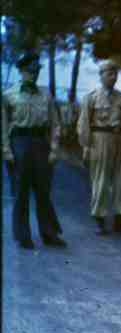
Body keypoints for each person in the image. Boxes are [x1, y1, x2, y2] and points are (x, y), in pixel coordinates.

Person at [2, 50, 67, 249]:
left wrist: (55, 148)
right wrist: (6, 150)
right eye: (30, 71)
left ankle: (49, 233)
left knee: (43, 191)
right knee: (21, 192)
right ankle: (23, 235)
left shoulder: (46, 94)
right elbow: (3, 125)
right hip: (19, 142)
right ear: (21, 71)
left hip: (41, 143)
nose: (34, 74)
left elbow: (56, 123)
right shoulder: (9, 95)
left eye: (36, 71)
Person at [77, 60, 121, 235]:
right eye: (109, 73)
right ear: (101, 75)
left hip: (118, 139)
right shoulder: (91, 97)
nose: (113, 77)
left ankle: (120, 217)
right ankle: (99, 218)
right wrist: (86, 147)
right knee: (100, 180)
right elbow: (83, 124)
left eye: (115, 74)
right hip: (98, 139)